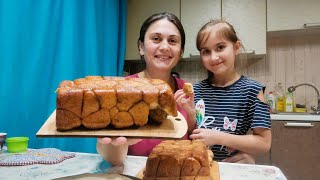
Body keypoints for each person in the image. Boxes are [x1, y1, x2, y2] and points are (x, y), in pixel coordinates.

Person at [96, 12, 191, 166]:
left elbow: (196, 140)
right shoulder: (121, 90)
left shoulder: (187, 92)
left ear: (180, 52)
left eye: (172, 41)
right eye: (156, 39)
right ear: (141, 47)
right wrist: (115, 143)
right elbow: (113, 159)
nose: (165, 47)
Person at [174, 19, 271, 162]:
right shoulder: (196, 90)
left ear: (236, 47)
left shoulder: (254, 90)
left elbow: (264, 143)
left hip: (232, 168)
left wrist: (218, 137)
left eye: (220, 47)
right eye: (206, 51)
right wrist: (190, 113)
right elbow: (193, 133)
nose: (213, 57)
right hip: (200, 167)